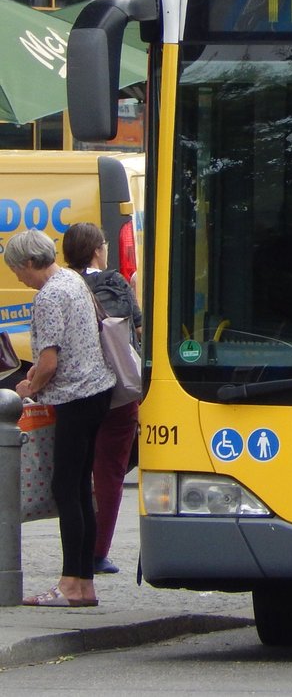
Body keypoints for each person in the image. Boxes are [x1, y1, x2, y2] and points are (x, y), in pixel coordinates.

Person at [6, 229, 114, 608]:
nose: (18, 278)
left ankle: (71, 583)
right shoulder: (72, 280)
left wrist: (27, 387)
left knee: (65, 489)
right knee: (81, 490)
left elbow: (50, 362)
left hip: (74, 397)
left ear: (31, 262)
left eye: (18, 270)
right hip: (98, 391)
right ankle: (84, 583)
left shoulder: (49, 295)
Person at [63, 222, 142, 576]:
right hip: (118, 392)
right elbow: (137, 329)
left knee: (75, 470)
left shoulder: (60, 286)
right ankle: (98, 552)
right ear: (97, 250)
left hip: (75, 391)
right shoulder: (115, 282)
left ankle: (76, 548)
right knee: (109, 472)